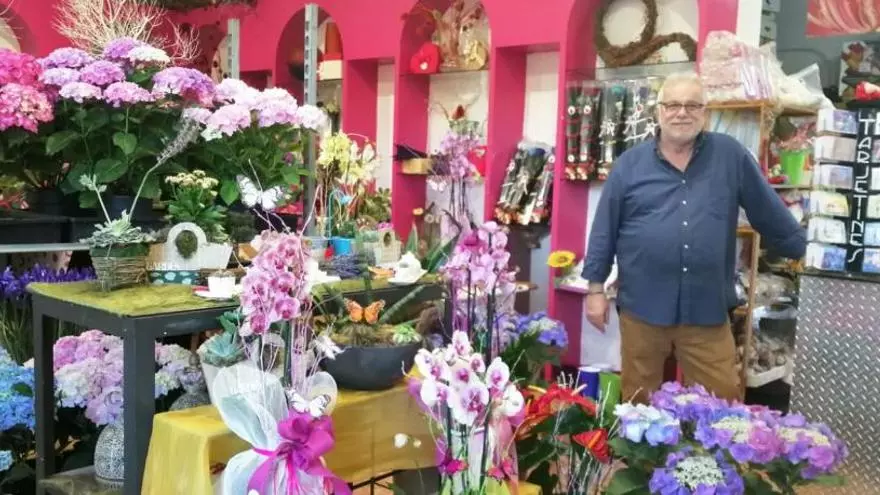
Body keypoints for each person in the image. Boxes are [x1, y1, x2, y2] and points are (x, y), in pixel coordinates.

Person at [581, 72, 806, 404]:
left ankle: (713, 442)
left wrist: (811, 255)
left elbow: (769, 212)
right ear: (659, 111)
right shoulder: (629, 165)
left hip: (706, 306)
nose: (681, 113)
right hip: (643, 305)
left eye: (691, 105)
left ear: (705, 112)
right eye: (672, 105)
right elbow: (604, 229)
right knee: (639, 402)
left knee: (722, 402)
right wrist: (595, 290)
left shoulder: (730, 156)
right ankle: (642, 441)